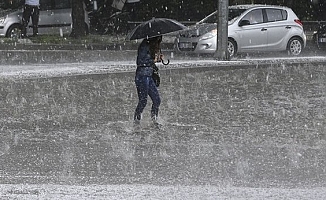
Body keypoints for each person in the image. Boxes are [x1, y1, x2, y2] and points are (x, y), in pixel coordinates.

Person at [134, 35, 164, 129]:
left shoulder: (150, 46)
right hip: (142, 76)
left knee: (157, 100)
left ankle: (154, 120)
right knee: (143, 101)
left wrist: (157, 58)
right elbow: (140, 61)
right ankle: (136, 122)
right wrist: (154, 59)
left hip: (148, 76)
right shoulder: (144, 45)